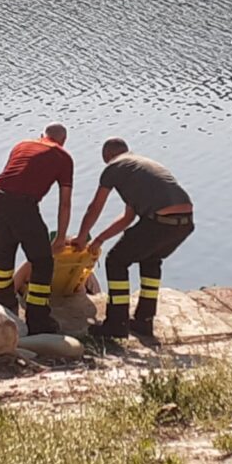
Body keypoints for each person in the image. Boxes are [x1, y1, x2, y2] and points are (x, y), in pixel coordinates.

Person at [73, 138, 193, 339]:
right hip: (185, 222)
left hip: (159, 221)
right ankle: (144, 321)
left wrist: (82, 236)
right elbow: (128, 218)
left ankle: (116, 324)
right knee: (151, 260)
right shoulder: (138, 168)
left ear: (108, 155)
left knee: (116, 261)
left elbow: (95, 206)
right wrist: (99, 240)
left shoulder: (114, 167)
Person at [0, 122, 73, 334]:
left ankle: (5, 304)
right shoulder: (63, 157)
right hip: (23, 205)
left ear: (41, 134)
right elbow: (65, 203)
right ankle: (38, 318)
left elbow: (14, 176)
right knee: (42, 261)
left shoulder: (21, 144)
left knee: (4, 251)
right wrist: (60, 237)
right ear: (63, 141)